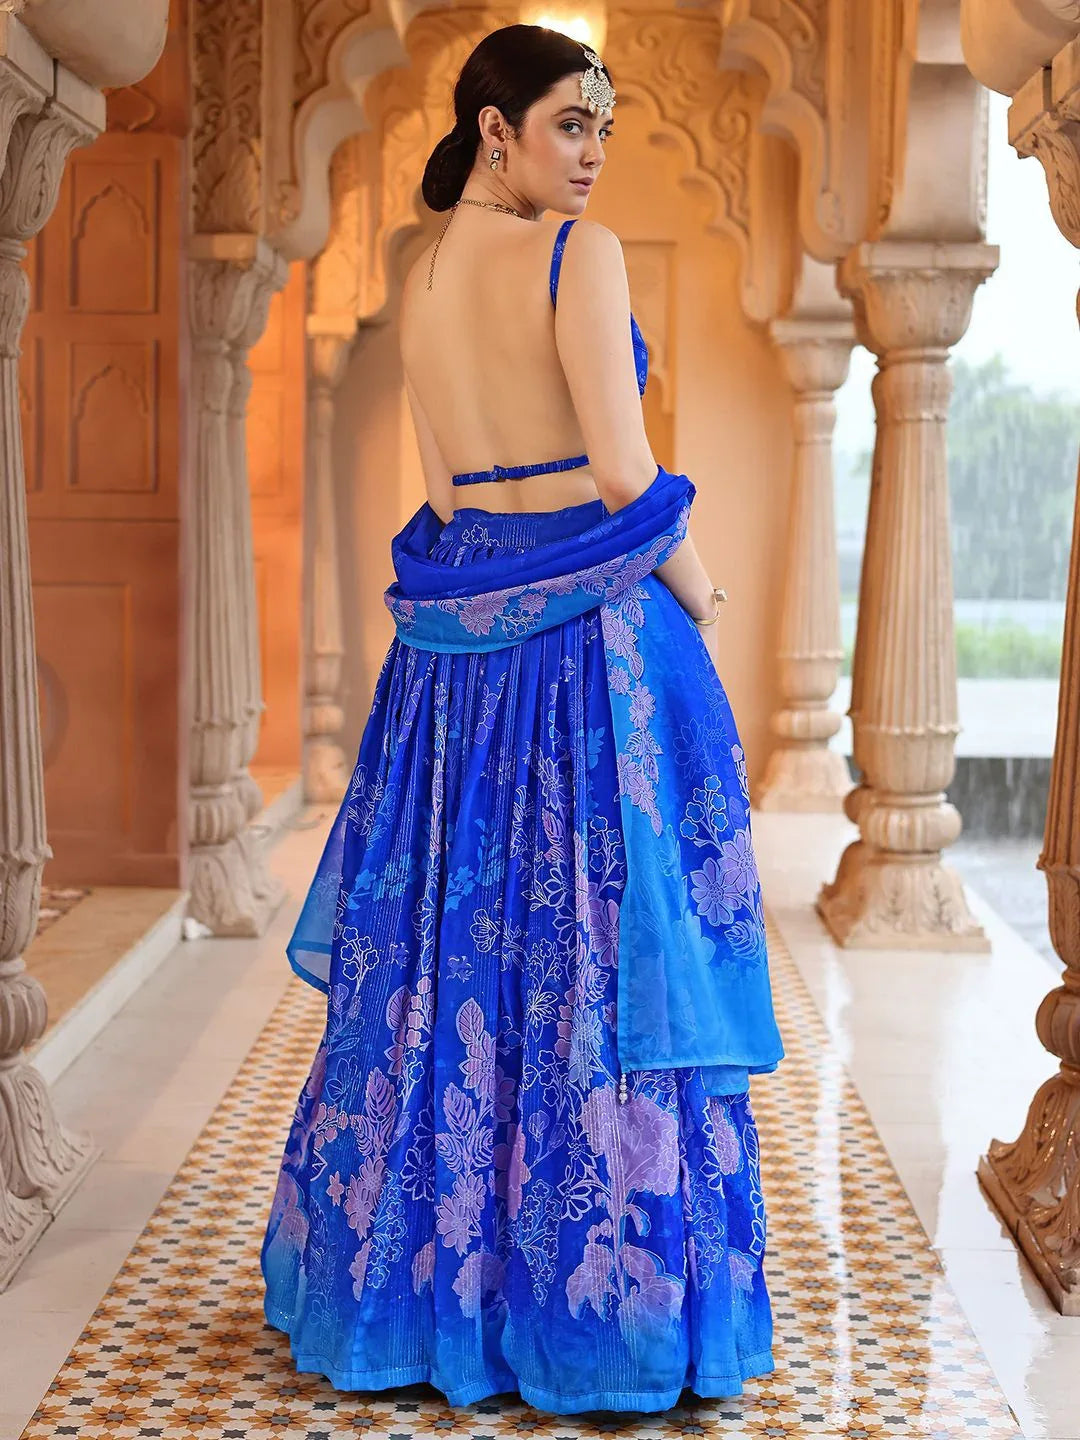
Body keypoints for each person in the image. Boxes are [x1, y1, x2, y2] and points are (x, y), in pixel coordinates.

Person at [260, 22, 784, 1416]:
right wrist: (702, 592)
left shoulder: (426, 269)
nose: (593, 154)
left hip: (454, 651)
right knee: (595, 962)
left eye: (603, 127)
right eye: (569, 124)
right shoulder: (575, 256)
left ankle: (429, 1297)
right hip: (582, 649)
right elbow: (623, 471)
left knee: (454, 962)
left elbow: (444, 489)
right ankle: (595, 1319)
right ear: (495, 130)